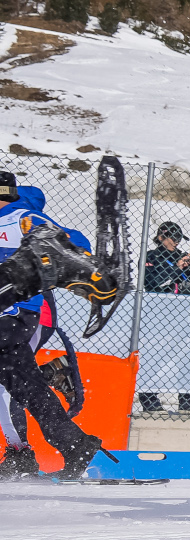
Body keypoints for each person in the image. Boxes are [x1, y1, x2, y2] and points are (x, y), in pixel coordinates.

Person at [0, 172, 118, 479]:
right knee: (25, 386)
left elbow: (67, 241)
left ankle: (22, 452)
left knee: (16, 386)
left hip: (15, 317)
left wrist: (89, 262)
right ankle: (73, 444)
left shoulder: (20, 218)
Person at [139, 221, 190, 413]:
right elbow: (152, 283)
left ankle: (188, 401)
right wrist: (176, 268)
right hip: (158, 316)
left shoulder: (181, 256)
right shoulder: (151, 256)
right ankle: (149, 401)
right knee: (155, 357)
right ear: (161, 237)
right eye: (173, 238)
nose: (176, 242)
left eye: (179, 239)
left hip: (180, 315)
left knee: (189, 357)